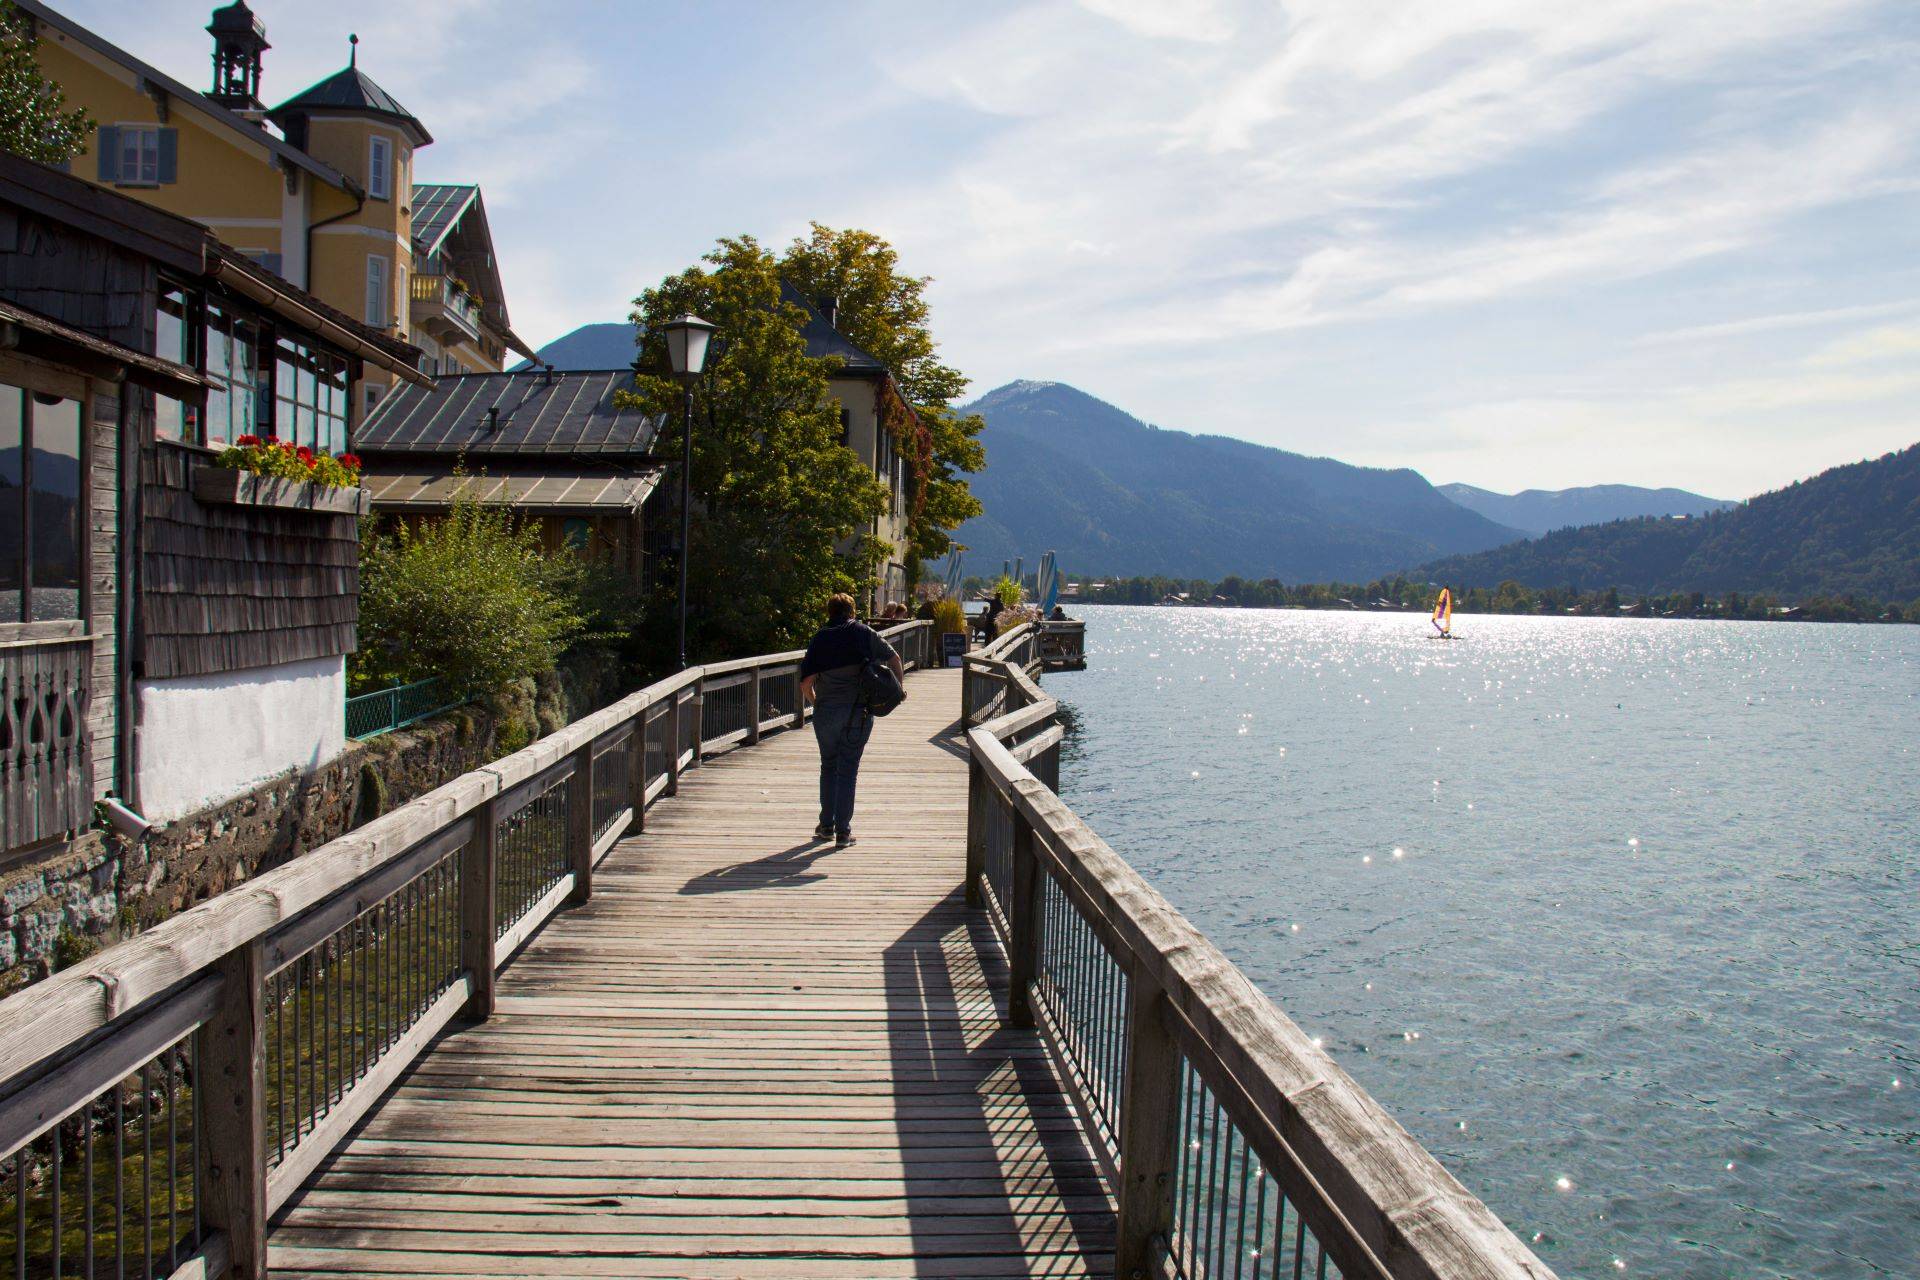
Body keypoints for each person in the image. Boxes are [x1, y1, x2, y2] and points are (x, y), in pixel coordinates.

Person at [799, 593, 906, 848]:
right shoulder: (864, 633)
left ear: (829, 612)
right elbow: (895, 659)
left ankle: (826, 825)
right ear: (852, 611)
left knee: (828, 765)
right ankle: (843, 832)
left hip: (826, 713)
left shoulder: (820, 638)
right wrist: (898, 690)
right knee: (848, 770)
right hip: (858, 713)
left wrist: (816, 702)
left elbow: (805, 682)